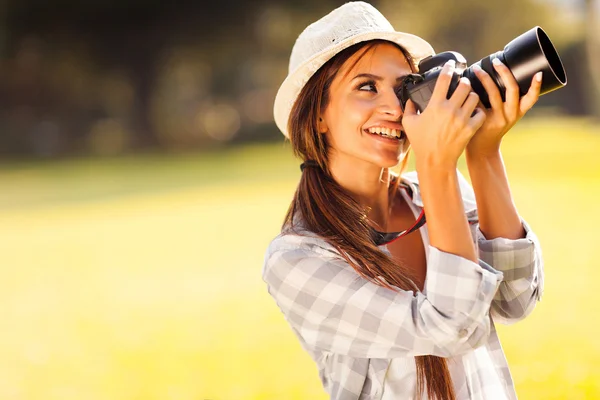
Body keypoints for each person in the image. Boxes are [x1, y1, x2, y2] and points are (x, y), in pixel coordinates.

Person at [261, 2, 545, 399]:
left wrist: (483, 152)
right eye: (366, 87)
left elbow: (516, 300)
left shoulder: (437, 190)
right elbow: (450, 328)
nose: (395, 108)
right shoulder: (296, 260)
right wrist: (436, 163)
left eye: (402, 88)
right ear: (318, 115)